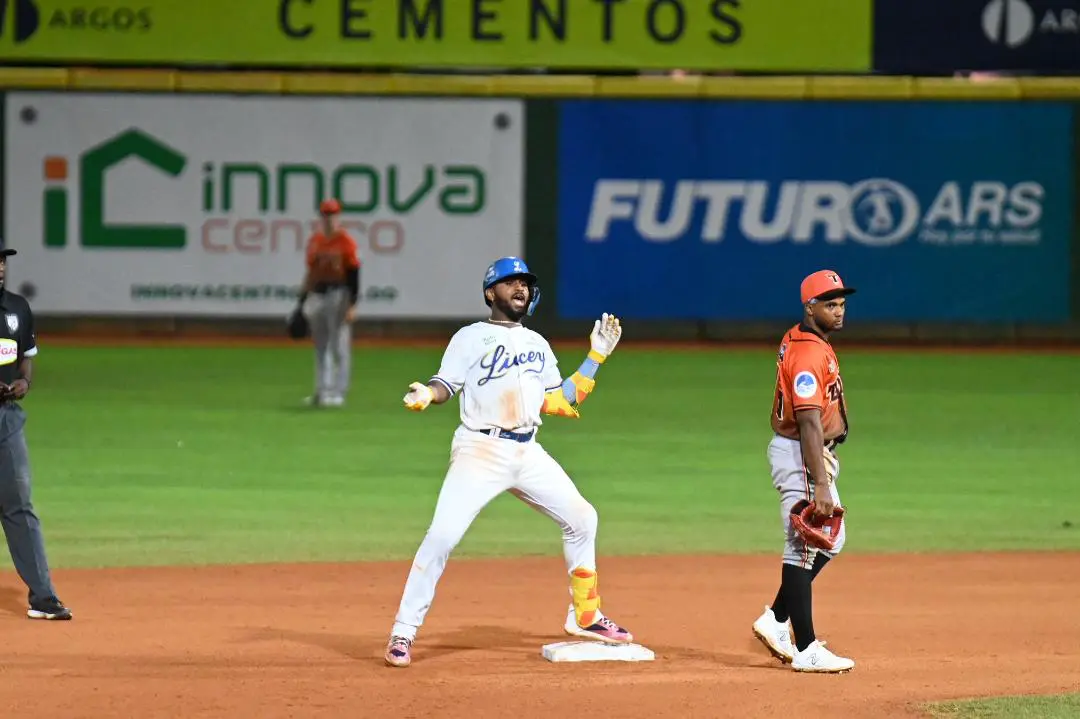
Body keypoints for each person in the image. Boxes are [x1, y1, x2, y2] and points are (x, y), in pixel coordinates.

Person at [383, 256, 633, 668]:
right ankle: (402, 632)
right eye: (510, 282)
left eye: (525, 283)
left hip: (527, 451)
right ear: (490, 292)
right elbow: (446, 384)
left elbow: (559, 400)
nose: (520, 288)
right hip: (480, 450)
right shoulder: (469, 337)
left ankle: (585, 614)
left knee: (583, 518)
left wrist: (595, 357)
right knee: (442, 536)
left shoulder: (538, 344)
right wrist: (428, 395)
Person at [751, 269, 855, 673]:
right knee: (805, 544)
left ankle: (776, 619)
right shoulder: (809, 353)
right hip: (802, 453)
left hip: (804, 453)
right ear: (809, 307)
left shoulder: (803, 339)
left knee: (831, 539)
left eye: (842, 303)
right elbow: (809, 420)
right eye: (830, 304)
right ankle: (806, 646)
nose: (839, 311)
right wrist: (822, 484)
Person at [0, 246, 71, 620]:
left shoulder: (17, 308)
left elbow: (25, 359)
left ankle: (43, 597)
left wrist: (23, 384)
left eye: (2, 260)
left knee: (19, 507)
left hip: (6, 419)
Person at [297, 199, 360, 407]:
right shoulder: (315, 241)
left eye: (333, 214)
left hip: (339, 294)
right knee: (321, 345)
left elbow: (353, 273)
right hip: (318, 294)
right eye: (326, 214)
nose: (329, 218)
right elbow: (311, 272)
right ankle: (322, 391)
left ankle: (338, 393)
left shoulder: (346, 241)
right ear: (321, 217)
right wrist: (301, 302)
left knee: (339, 345)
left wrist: (352, 304)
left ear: (338, 216)